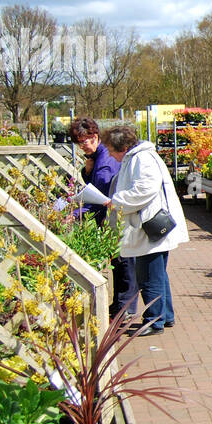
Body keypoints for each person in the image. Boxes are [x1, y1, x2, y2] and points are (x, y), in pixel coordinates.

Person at [93, 123, 189, 334]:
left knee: (149, 275)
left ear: (122, 147)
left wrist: (116, 201)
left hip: (150, 226)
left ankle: (154, 321)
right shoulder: (137, 156)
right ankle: (166, 316)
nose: (109, 154)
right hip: (151, 225)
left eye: (110, 149)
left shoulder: (141, 158)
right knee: (157, 273)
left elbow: (145, 189)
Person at [69, 117, 138, 324]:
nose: (84, 145)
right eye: (80, 142)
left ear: (96, 136)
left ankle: (125, 308)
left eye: (88, 139)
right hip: (110, 216)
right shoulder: (96, 158)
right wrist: (86, 171)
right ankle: (120, 305)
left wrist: (75, 213)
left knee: (124, 262)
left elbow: (99, 194)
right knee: (118, 262)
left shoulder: (105, 160)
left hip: (114, 215)